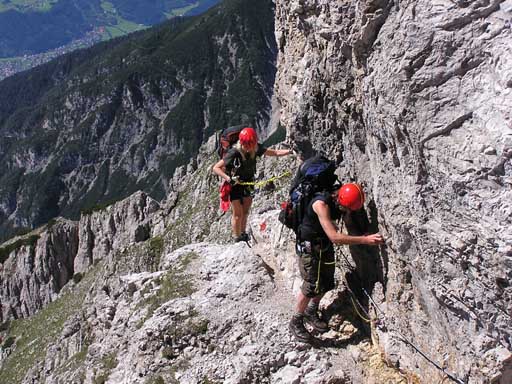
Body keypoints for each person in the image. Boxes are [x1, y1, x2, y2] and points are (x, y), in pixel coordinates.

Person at [289, 183, 384, 342]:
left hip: (322, 244)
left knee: (326, 282)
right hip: (310, 248)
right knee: (311, 286)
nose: (346, 213)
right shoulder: (321, 204)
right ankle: (296, 321)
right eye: (346, 209)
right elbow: (335, 237)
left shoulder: (339, 200)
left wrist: (363, 232)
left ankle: (311, 311)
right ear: (341, 202)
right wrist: (365, 240)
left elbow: (344, 220)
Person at [212, 127, 292, 242]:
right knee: (237, 214)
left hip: (248, 182)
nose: (249, 147)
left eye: (251, 145)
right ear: (243, 143)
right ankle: (237, 237)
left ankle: (243, 233)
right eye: (247, 145)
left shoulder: (256, 148)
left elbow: (274, 152)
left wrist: (290, 151)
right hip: (235, 185)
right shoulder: (234, 152)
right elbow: (216, 168)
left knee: (245, 211)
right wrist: (229, 179)